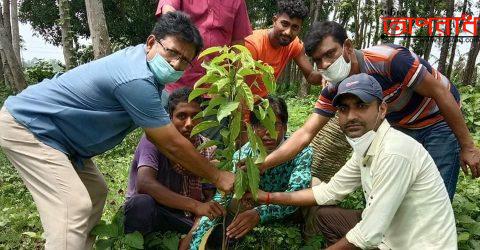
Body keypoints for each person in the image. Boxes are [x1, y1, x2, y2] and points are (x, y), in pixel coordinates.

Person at [0, 12, 233, 250]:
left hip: (61, 139)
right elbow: (169, 142)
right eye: (172, 52)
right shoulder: (136, 79)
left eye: (185, 60)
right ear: (151, 42)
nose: (176, 64)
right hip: (30, 125)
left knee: (94, 193)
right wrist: (218, 176)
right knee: (73, 205)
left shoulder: (146, 73)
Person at [258, 20, 480, 200]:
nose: (324, 65)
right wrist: (262, 164)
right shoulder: (334, 87)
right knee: (395, 185)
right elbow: (305, 134)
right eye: (317, 61)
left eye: (329, 54)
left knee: (436, 190)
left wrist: (467, 146)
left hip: (437, 118)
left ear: (347, 46)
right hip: (400, 124)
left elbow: (441, 93)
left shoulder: (389, 61)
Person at [252, 74, 457, 249]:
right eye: (343, 109)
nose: (351, 116)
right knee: (326, 216)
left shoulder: (394, 151)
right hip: (392, 232)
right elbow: (328, 192)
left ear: (382, 110)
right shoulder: (365, 149)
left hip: (418, 244)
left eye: (361, 106)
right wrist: (266, 197)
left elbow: (368, 233)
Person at [182, 96, 312, 250]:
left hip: (287, 209)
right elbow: (223, 195)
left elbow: (295, 196)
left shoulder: (301, 152)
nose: (268, 133)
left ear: (284, 126)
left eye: (275, 125)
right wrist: (196, 236)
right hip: (253, 204)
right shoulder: (246, 152)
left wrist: (259, 214)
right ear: (251, 127)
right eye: (261, 125)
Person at [124, 88, 225, 236]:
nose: (189, 123)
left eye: (195, 116)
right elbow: (145, 184)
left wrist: (192, 235)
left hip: (185, 217)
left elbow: (208, 198)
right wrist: (196, 206)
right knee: (141, 204)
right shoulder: (153, 140)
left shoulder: (207, 147)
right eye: (182, 116)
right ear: (170, 117)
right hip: (157, 210)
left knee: (223, 232)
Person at [156, 0, 252, 103]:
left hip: (217, 90)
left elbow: (238, 45)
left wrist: (237, 90)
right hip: (178, 83)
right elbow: (169, 16)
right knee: (171, 118)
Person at [244, 0, 322, 98]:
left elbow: (311, 75)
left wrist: (334, 75)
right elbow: (237, 87)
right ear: (274, 20)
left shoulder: (294, 44)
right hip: (238, 103)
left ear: (299, 29)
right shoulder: (253, 44)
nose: (288, 32)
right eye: (285, 24)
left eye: (295, 27)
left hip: (262, 104)